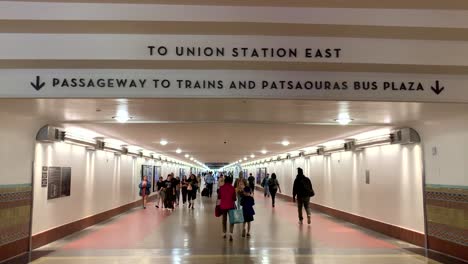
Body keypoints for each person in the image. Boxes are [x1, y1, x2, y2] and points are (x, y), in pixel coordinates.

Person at [218, 176, 236, 241]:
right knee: (232, 220)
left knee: (224, 220)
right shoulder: (232, 188)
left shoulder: (221, 188)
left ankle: (224, 233)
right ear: (231, 181)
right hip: (231, 206)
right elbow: (234, 198)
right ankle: (231, 234)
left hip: (223, 206)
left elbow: (219, 197)